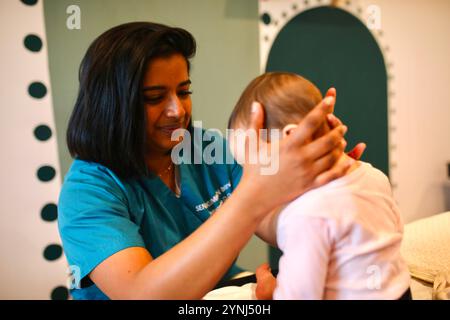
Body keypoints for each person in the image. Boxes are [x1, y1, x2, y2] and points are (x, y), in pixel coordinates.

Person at [58, 22, 363, 300]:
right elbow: (143, 294)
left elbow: (274, 223)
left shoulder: (204, 147)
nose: (177, 110)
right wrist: (257, 191)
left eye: (184, 91)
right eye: (154, 97)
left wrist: (325, 186)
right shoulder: (88, 191)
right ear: (111, 104)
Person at [228, 72, 411, 300]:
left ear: (292, 136)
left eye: (252, 161)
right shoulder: (373, 176)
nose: (252, 175)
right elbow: (392, 239)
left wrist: (269, 292)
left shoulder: (305, 214)